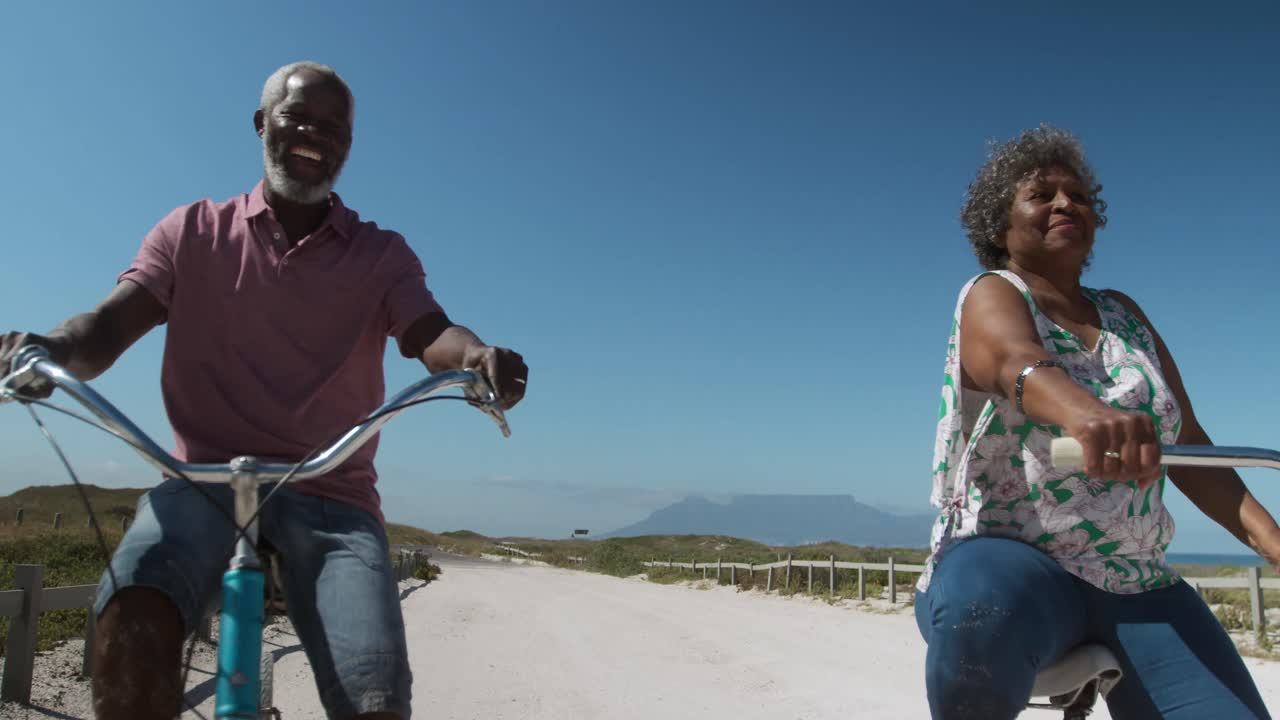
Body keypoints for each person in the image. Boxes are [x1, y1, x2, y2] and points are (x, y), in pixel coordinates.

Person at [0, 61, 528, 720]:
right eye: (297, 115)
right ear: (261, 124)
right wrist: (48, 350)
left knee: (375, 693)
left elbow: (431, 331)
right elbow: (106, 326)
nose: (315, 134)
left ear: (349, 145)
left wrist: (474, 357)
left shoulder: (381, 254)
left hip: (332, 493)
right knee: (131, 619)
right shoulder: (189, 232)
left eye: (333, 127)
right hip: (203, 482)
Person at [914, 124, 1277, 720]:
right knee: (981, 614)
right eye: (1042, 195)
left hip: (1138, 580)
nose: (1066, 204)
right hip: (1013, 563)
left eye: (1079, 196)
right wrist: (1088, 415)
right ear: (1000, 225)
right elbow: (1015, 364)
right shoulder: (991, 293)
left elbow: (1186, 441)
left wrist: (1272, 542)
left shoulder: (1125, 315)